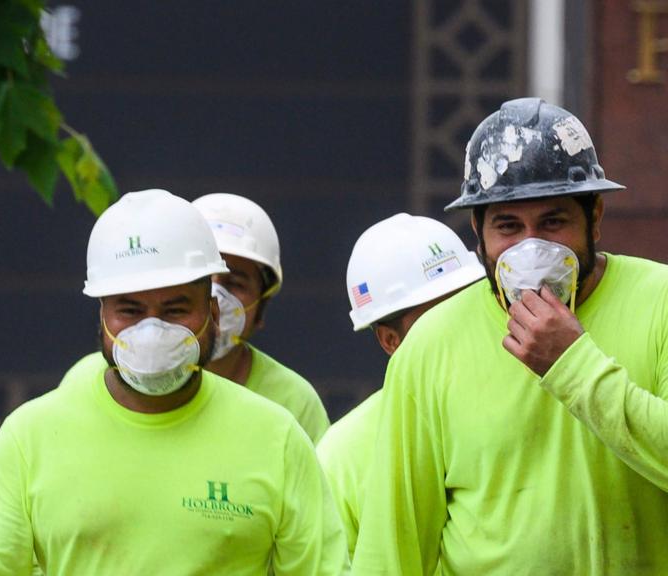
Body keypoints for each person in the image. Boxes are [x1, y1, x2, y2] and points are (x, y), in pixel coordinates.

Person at [0, 189, 349, 575]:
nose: (153, 331)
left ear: (212, 311)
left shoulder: (277, 438)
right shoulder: (28, 439)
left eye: (175, 309)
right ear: (102, 312)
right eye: (131, 310)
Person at [352, 98, 668, 574]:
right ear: (477, 233)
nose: (531, 249)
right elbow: (393, 548)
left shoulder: (659, 302)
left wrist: (573, 364)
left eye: (553, 222)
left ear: (596, 217)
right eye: (508, 227)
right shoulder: (431, 345)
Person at [316, 213, 485, 559]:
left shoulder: (530, 399)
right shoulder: (344, 451)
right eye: (436, 317)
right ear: (390, 340)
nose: (459, 326)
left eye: (466, 305)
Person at [193, 193, 329, 442]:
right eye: (202, 279)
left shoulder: (295, 401)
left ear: (261, 305)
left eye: (234, 284)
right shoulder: (113, 381)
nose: (215, 298)